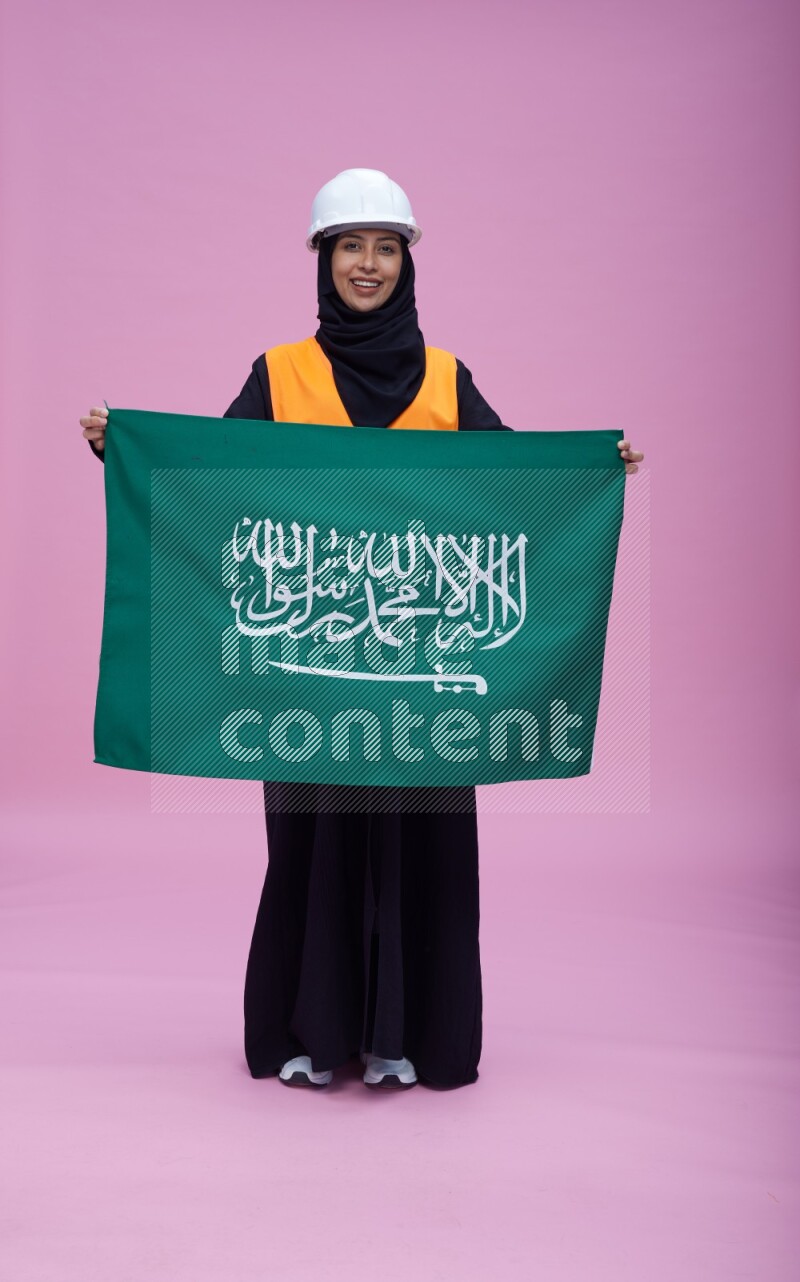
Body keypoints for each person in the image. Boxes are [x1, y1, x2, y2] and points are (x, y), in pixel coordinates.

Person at [81, 168, 644, 1092]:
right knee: (315, 846)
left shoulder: (448, 379)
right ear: (323, 259)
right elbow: (214, 481)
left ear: (408, 261)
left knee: (422, 853)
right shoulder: (282, 374)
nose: (369, 264)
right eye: (352, 246)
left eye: (387, 247)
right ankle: (313, 1034)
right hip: (312, 675)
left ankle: (411, 1037)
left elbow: (513, 486)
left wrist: (595, 469)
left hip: (425, 679)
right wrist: (128, 447)